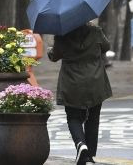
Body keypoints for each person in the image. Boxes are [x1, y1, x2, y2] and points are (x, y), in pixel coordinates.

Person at [48, 22, 112, 165]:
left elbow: (55, 56)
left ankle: (80, 144)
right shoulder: (95, 31)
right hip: (95, 80)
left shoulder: (62, 35)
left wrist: (50, 50)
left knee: (73, 117)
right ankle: (89, 156)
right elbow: (106, 46)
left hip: (72, 82)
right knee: (93, 118)